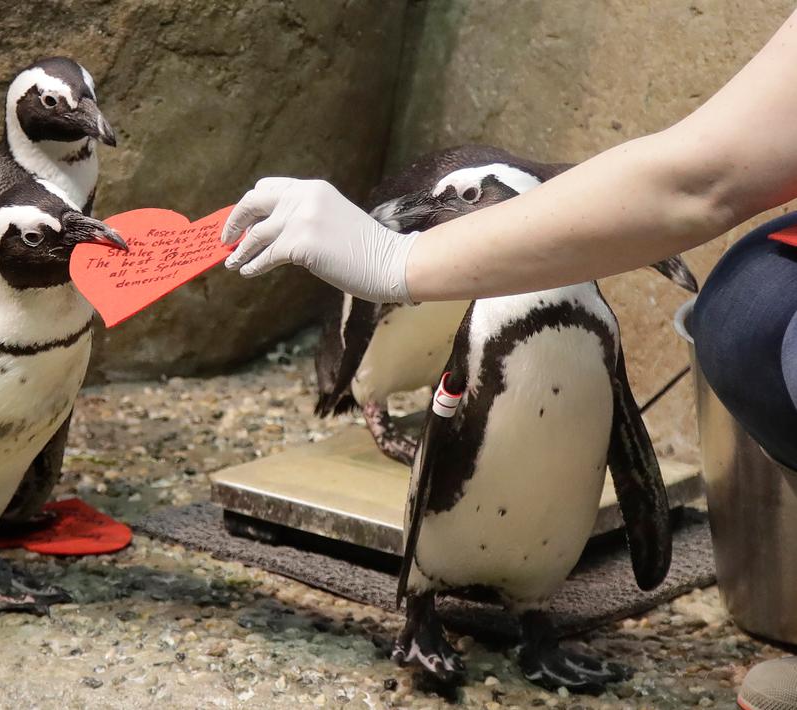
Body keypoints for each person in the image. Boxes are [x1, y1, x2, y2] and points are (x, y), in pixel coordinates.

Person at [221, 6, 797, 700]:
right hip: (449, 513)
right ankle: (429, 605)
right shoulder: (486, 315)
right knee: (743, 309)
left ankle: (533, 614)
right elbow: (701, 174)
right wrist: (396, 261)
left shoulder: (584, 312)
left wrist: (396, 258)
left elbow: (685, 192)